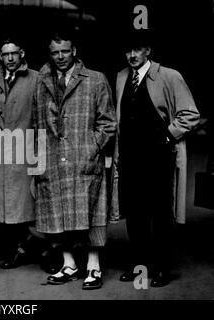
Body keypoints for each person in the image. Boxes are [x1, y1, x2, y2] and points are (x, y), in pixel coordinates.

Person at [113, 31, 200, 287]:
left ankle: (163, 267)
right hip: (130, 156)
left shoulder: (169, 76)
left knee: (161, 214)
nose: (132, 55)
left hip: (159, 157)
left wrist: (167, 136)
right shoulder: (121, 77)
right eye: (128, 50)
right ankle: (140, 265)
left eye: (137, 49)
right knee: (136, 214)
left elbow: (190, 114)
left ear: (148, 50)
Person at [33, 32, 116, 290]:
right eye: (55, 52)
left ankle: (94, 267)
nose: (60, 57)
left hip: (84, 159)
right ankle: (68, 264)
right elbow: (36, 124)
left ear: (74, 50)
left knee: (91, 214)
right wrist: (39, 160)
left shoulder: (95, 79)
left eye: (65, 51)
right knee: (56, 214)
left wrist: (91, 147)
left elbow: (109, 123)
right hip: (53, 159)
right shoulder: (41, 81)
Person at [0, 37, 46, 269]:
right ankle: (15, 250)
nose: (10, 58)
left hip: (24, 150)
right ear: (0, 57)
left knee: (26, 205)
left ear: (21, 53)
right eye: (5, 54)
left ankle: (34, 249)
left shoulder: (35, 78)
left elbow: (42, 116)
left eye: (14, 53)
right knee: (2, 207)